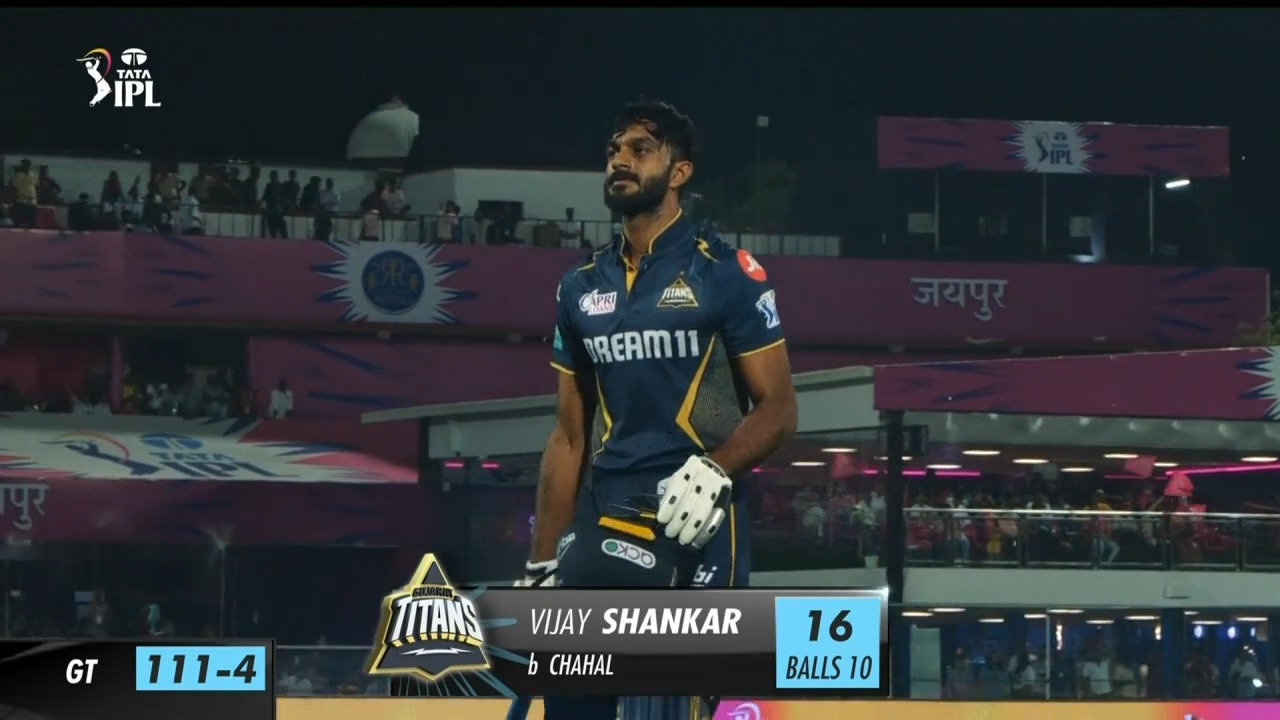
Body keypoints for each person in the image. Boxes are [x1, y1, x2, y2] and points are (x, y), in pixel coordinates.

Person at [523, 100, 798, 720]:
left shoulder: (728, 272)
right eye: (613, 150)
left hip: (698, 517)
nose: (620, 160)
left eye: (640, 149)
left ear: (679, 172)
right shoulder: (578, 286)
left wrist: (716, 469)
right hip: (604, 511)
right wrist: (540, 561)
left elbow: (779, 409)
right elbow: (569, 438)